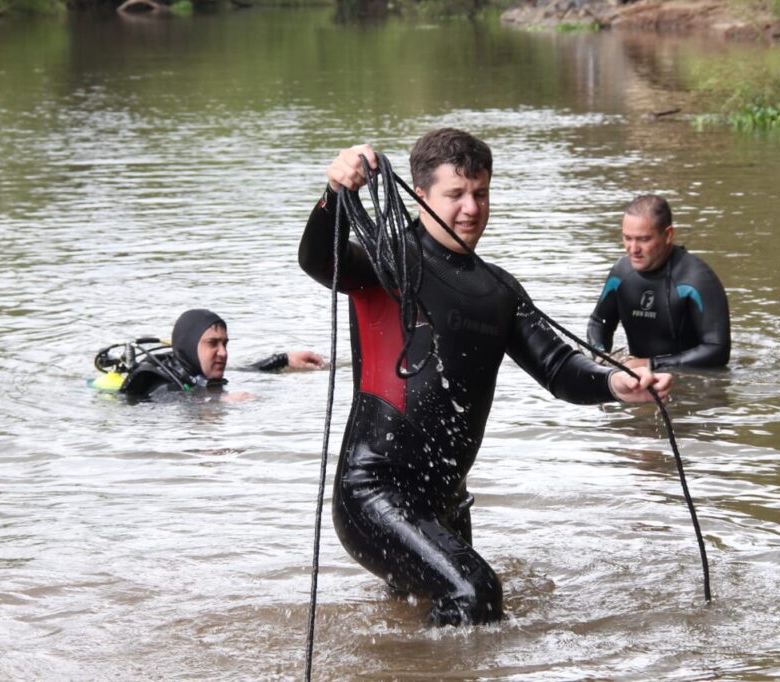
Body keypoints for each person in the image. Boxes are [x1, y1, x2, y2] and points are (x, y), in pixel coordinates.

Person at [298, 128, 672, 627]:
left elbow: (558, 367)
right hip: (373, 492)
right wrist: (336, 192)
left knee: (423, 621)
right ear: (420, 195)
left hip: (447, 500)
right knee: (475, 593)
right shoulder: (388, 261)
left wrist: (613, 383)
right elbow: (318, 259)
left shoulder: (498, 290)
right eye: (455, 194)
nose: (471, 208)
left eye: (480, 193)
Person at [587, 195, 730, 370]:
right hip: (637, 380)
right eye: (627, 238)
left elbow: (718, 350)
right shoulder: (620, 273)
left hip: (690, 384)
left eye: (644, 239)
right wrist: (602, 357)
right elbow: (598, 323)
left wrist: (650, 364)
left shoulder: (697, 279)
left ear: (668, 234)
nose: (633, 249)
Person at [94, 308, 325, 400]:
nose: (223, 353)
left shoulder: (195, 371)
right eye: (212, 344)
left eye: (225, 343)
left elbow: (246, 370)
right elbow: (170, 401)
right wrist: (220, 402)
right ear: (190, 345)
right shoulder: (154, 380)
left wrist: (285, 359)